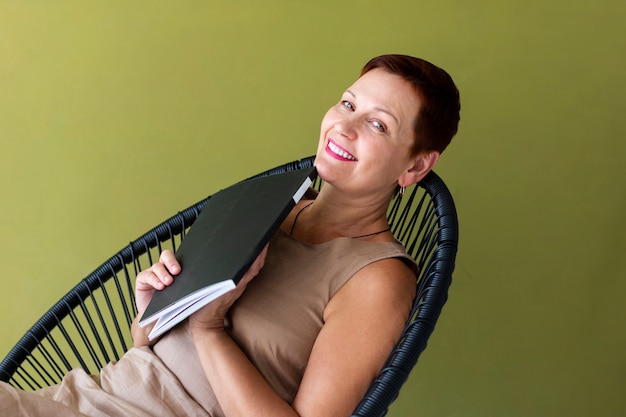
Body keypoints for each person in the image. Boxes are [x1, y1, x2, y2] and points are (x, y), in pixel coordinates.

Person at [1, 54, 460, 417]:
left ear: (416, 166)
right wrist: (154, 314)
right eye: (348, 103)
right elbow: (149, 355)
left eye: (378, 124)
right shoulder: (267, 207)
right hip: (88, 395)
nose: (344, 125)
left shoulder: (376, 279)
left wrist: (208, 328)